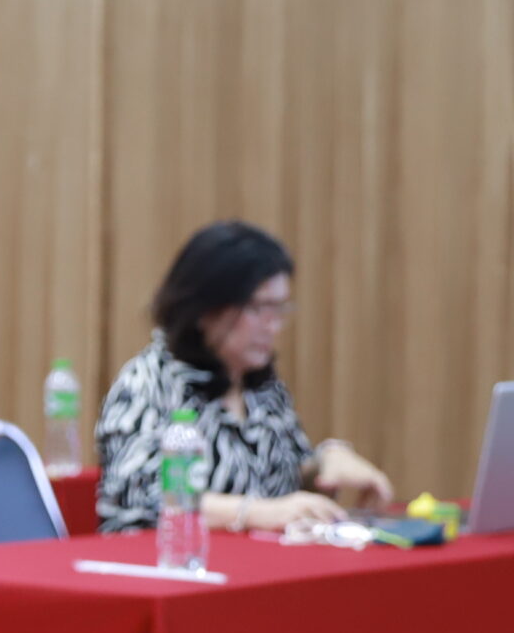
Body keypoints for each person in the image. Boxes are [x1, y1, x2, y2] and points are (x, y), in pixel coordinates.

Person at [97, 220, 394, 535]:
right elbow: (138, 496)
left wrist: (328, 463)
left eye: (280, 309)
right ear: (205, 307)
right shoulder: (146, 383)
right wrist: (255, 512)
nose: (273, 325)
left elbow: (287, 482)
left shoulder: (260, 385)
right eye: (258, 308)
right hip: (168, 559)